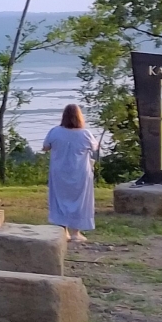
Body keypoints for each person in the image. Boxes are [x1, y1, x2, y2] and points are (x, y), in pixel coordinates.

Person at [43, 104, 102, 243]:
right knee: (80, 200)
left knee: (60, 198)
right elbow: (94, 147)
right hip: (80, 171)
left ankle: (63, 230)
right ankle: (76, 232)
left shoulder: (55, 131)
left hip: (59, 170)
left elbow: (46, 147)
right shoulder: (85, 134)